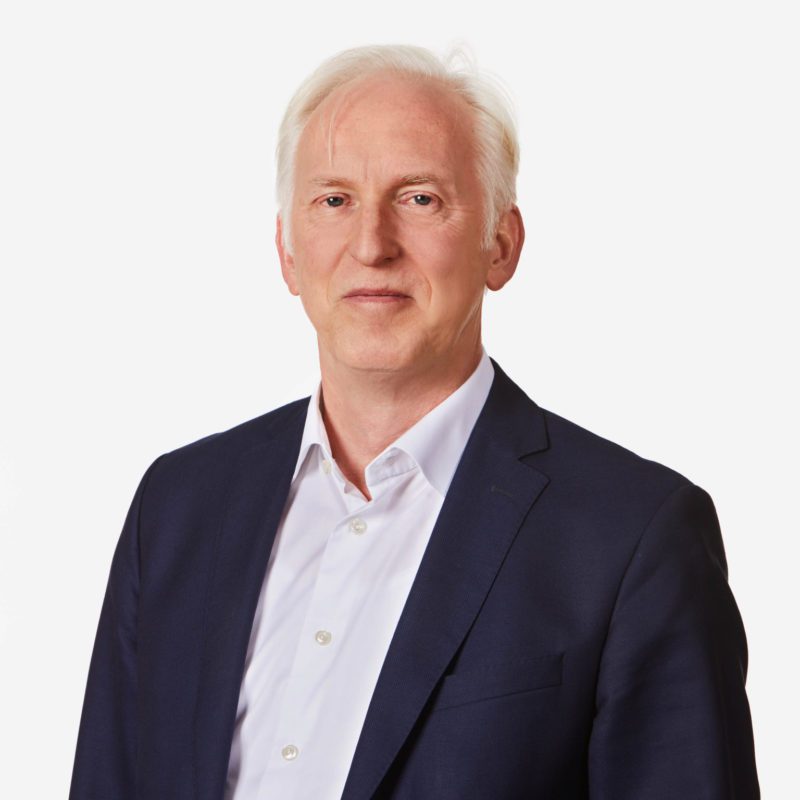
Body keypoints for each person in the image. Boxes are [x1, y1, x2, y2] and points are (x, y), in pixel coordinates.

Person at [69, 44, 760, 799]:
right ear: (287, 252)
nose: (371, 245)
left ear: (501, 245)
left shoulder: (633, 539)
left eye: (420, 199)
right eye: (334, 200)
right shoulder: (178, 507)